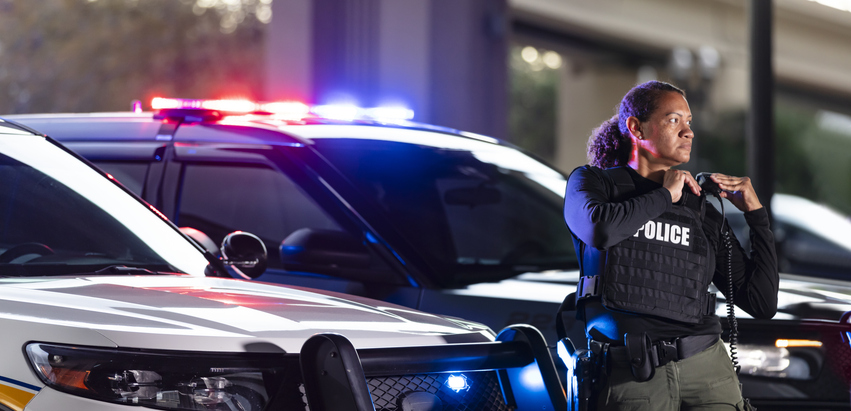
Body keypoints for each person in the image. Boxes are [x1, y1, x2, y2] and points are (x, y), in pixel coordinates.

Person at [562, 80, 778, 410]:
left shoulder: (699, 206)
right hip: (633, 373)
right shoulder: (594, 183)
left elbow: (761, 302)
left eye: (689, 122)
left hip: (708, 369)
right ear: (636, 127)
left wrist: (757, 215)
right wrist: (665, 196)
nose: (688, 132)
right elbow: (599, 230)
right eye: (673, 119)